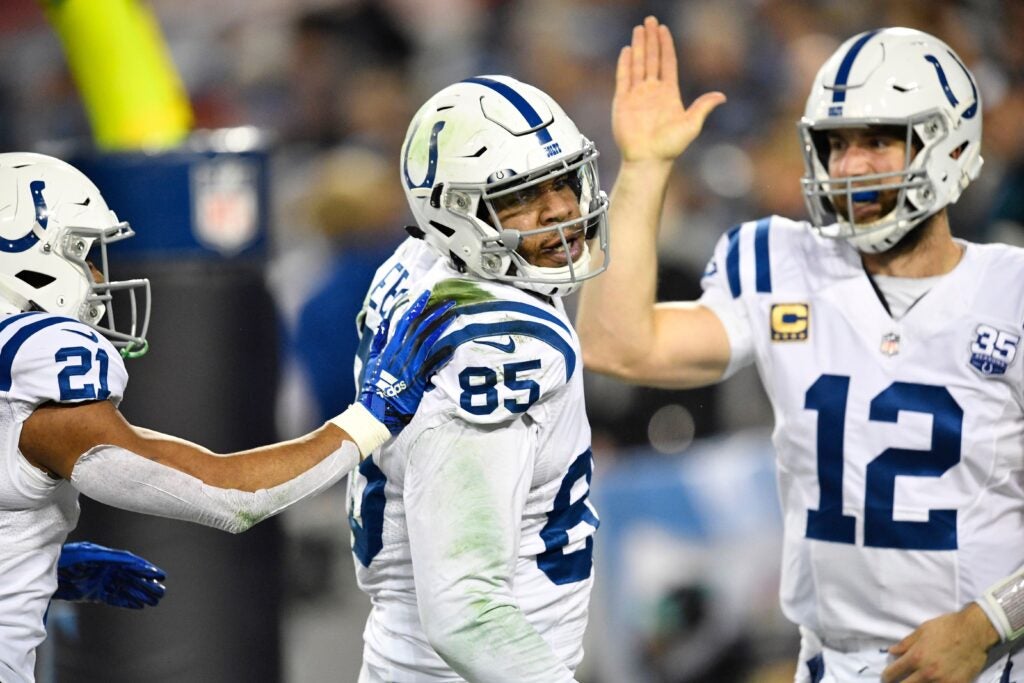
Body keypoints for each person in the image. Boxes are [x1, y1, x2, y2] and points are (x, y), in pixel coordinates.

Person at [577, 17, 1022, 683]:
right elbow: (616, 344)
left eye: (879, 142)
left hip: (988, 663)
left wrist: (988, 622)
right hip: (834, 663)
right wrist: (643, 167)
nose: (850, 166)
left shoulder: (1010, 293)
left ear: (949, 146)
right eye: (836, 145)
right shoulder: (782, 262)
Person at [0, 152, 455, 683]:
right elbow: (229, 496)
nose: (99, 274)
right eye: (83, 252)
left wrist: (35, 567)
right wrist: (371, 415)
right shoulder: (40, 358)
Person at [346, 75, 609, 682]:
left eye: (563, 181)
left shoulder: (418, 263)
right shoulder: (501, 347)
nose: (561, 211)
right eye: (520, 198)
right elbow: (466, 613)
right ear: (454, 216)